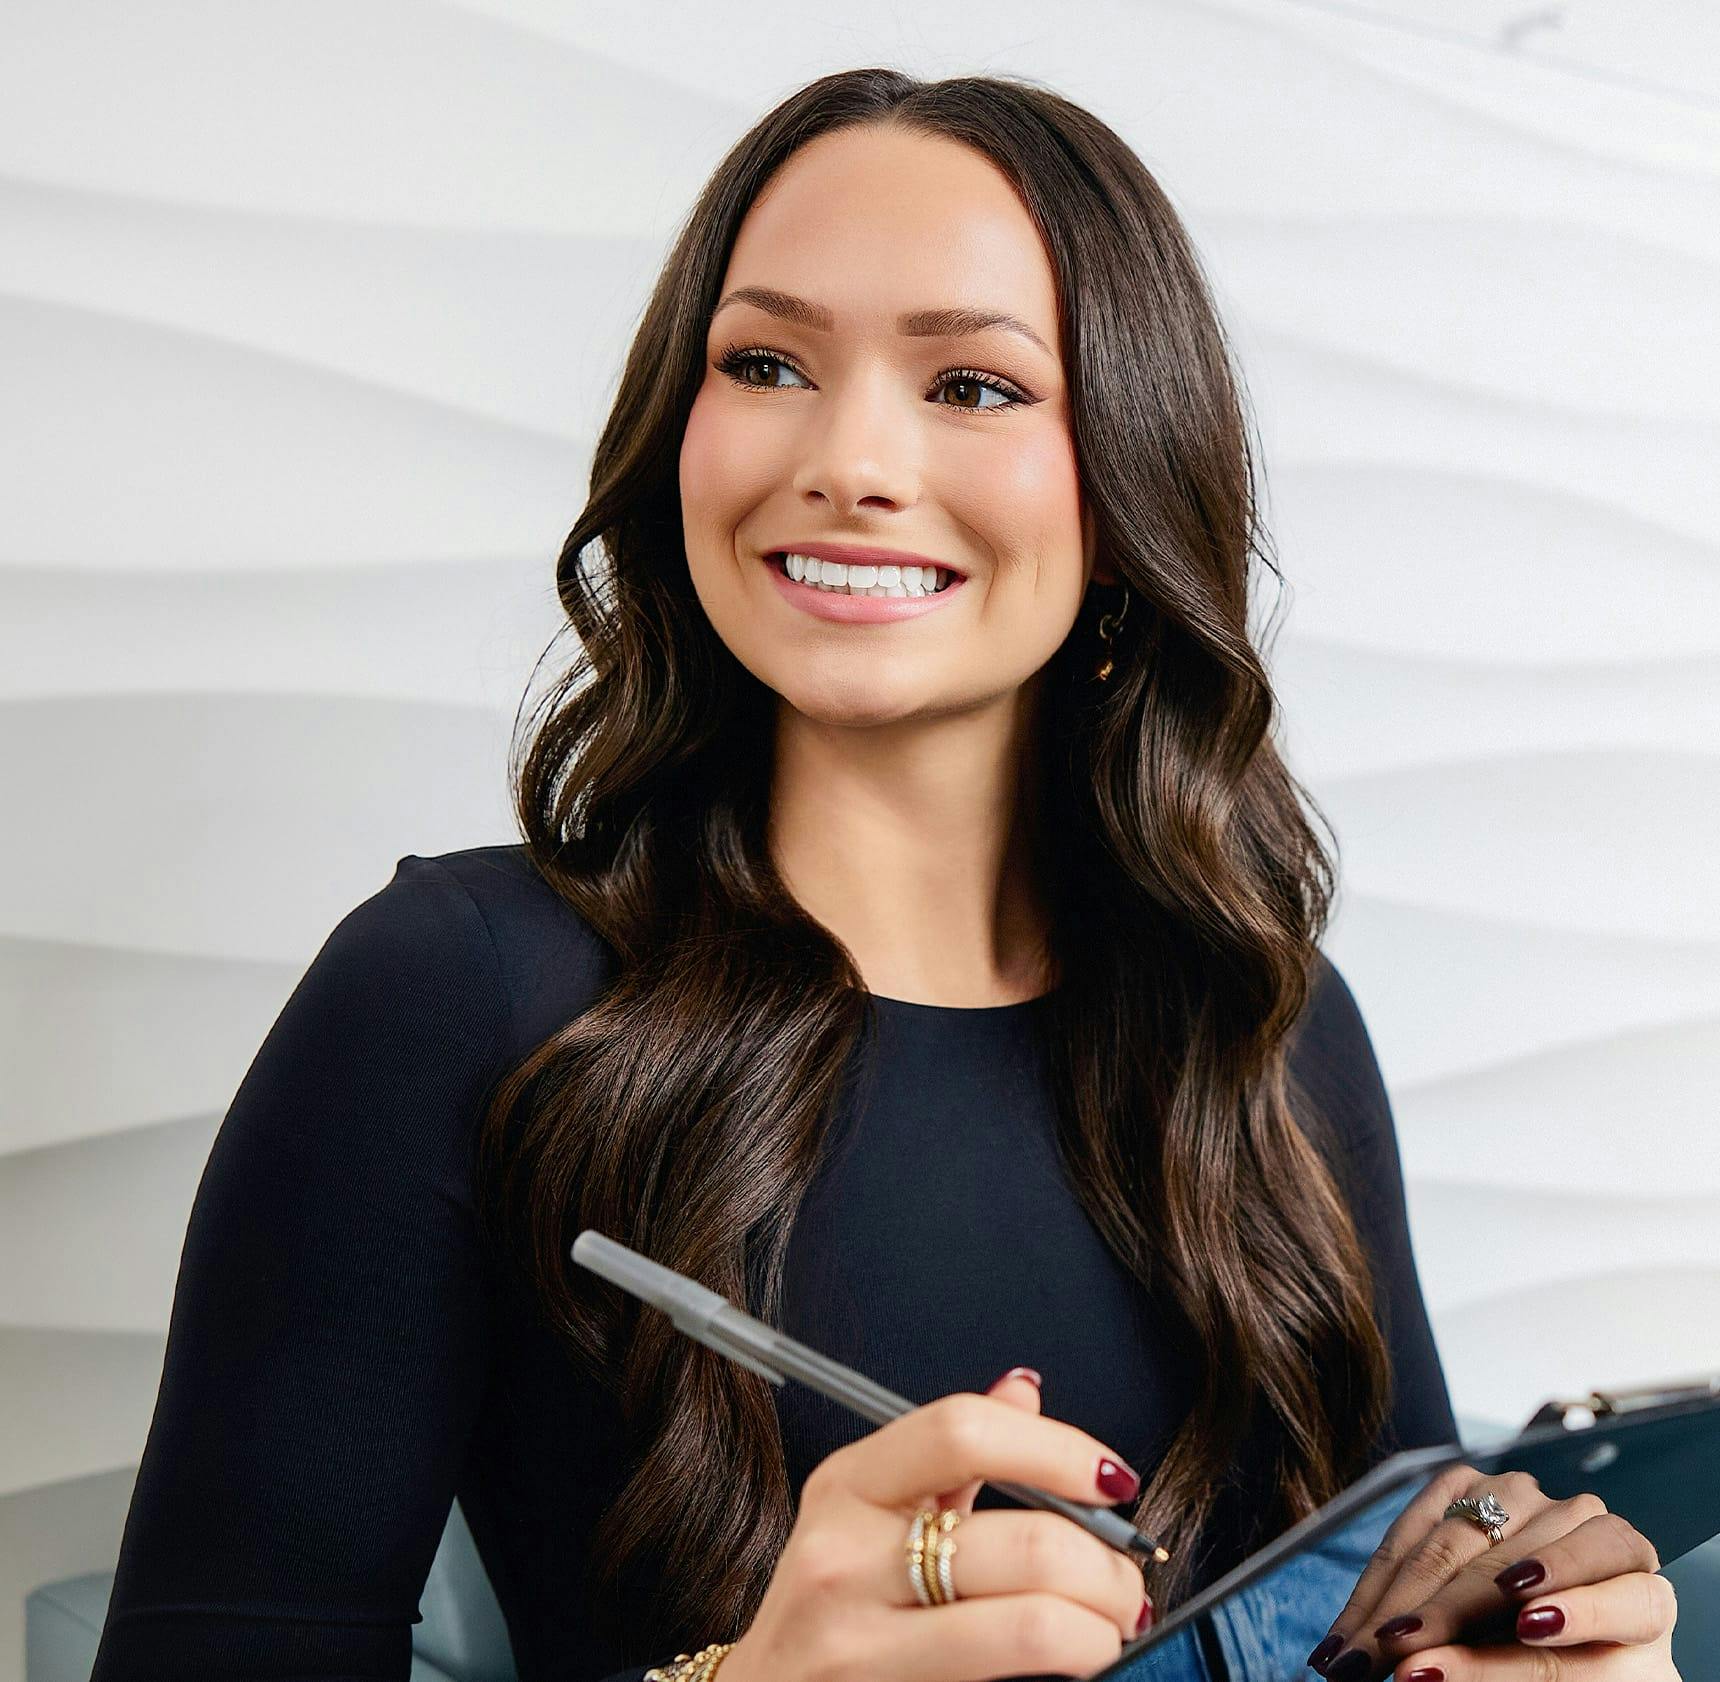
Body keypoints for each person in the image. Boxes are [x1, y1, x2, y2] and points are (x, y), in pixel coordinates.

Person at [89, 67, 1678, 1682]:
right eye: (766, 361)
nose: (848, 457)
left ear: (1125, 487)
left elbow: (1382, 1607)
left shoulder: (1269, 1027)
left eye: (973, 386)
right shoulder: (453, 989)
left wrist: (1524, 1642)